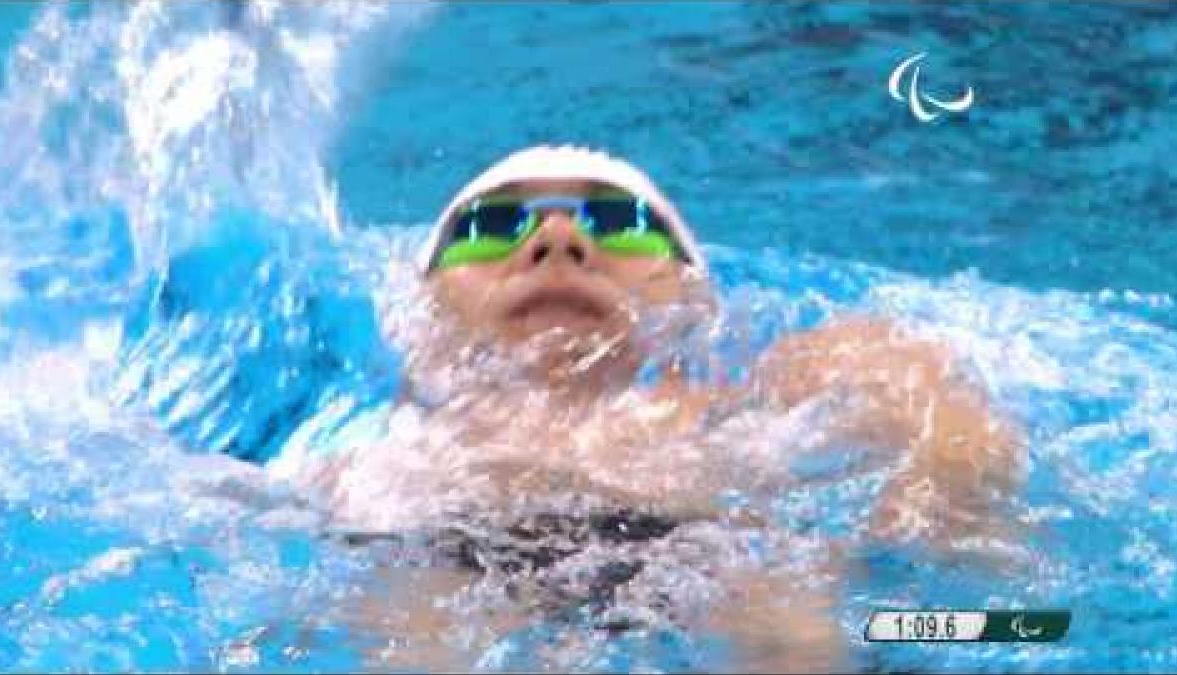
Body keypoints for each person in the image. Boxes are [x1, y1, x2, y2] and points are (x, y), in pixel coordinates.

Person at [301, 144, 1024, 672]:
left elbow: (920, 391)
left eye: (621, 221)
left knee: (785, 623)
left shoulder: (744, 394)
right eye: (492, 227)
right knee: (410, 639)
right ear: (420, 312)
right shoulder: (369, 459)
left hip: (700, 544)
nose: (559, 239)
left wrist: (951, 483)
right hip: (445, 550)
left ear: (694, 298)